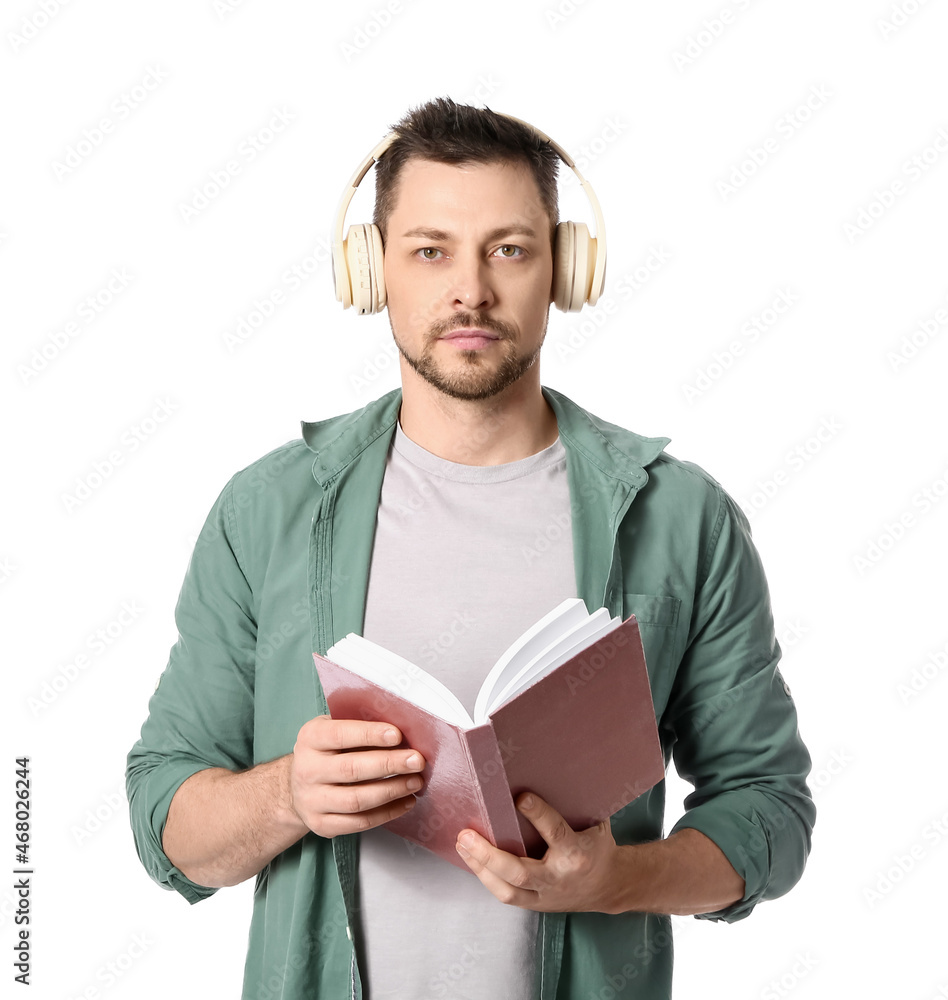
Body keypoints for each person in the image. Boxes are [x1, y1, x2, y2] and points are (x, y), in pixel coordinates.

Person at [126, 97, 816, 999]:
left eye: (510, 249)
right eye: (430, 250)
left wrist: (619, 882)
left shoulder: (680, 518)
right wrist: (288, 795)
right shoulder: (269, 512)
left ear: (567, 269)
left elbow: (772, 812)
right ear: (371, 273)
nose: (471, 291)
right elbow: (162, 818)